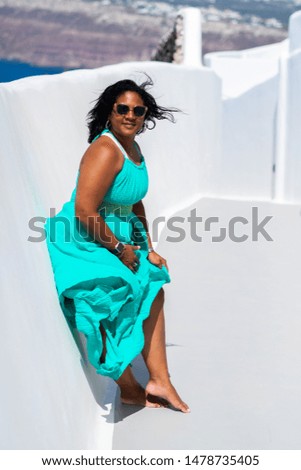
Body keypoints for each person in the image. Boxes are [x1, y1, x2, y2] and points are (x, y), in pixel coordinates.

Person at [45, 77, 190, 413]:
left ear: (145, 117)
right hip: (84, 236)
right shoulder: (105, 150)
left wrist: (147, 247)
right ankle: (127, 386)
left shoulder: (134, 149)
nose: (130, 115)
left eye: (138, 111)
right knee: (118, 294)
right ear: (109, 112)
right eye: (122, 109)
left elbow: (135, 203)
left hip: (117, 233)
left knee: (153, 283)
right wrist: (120, 249)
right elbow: (84, 210)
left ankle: (159, 380)